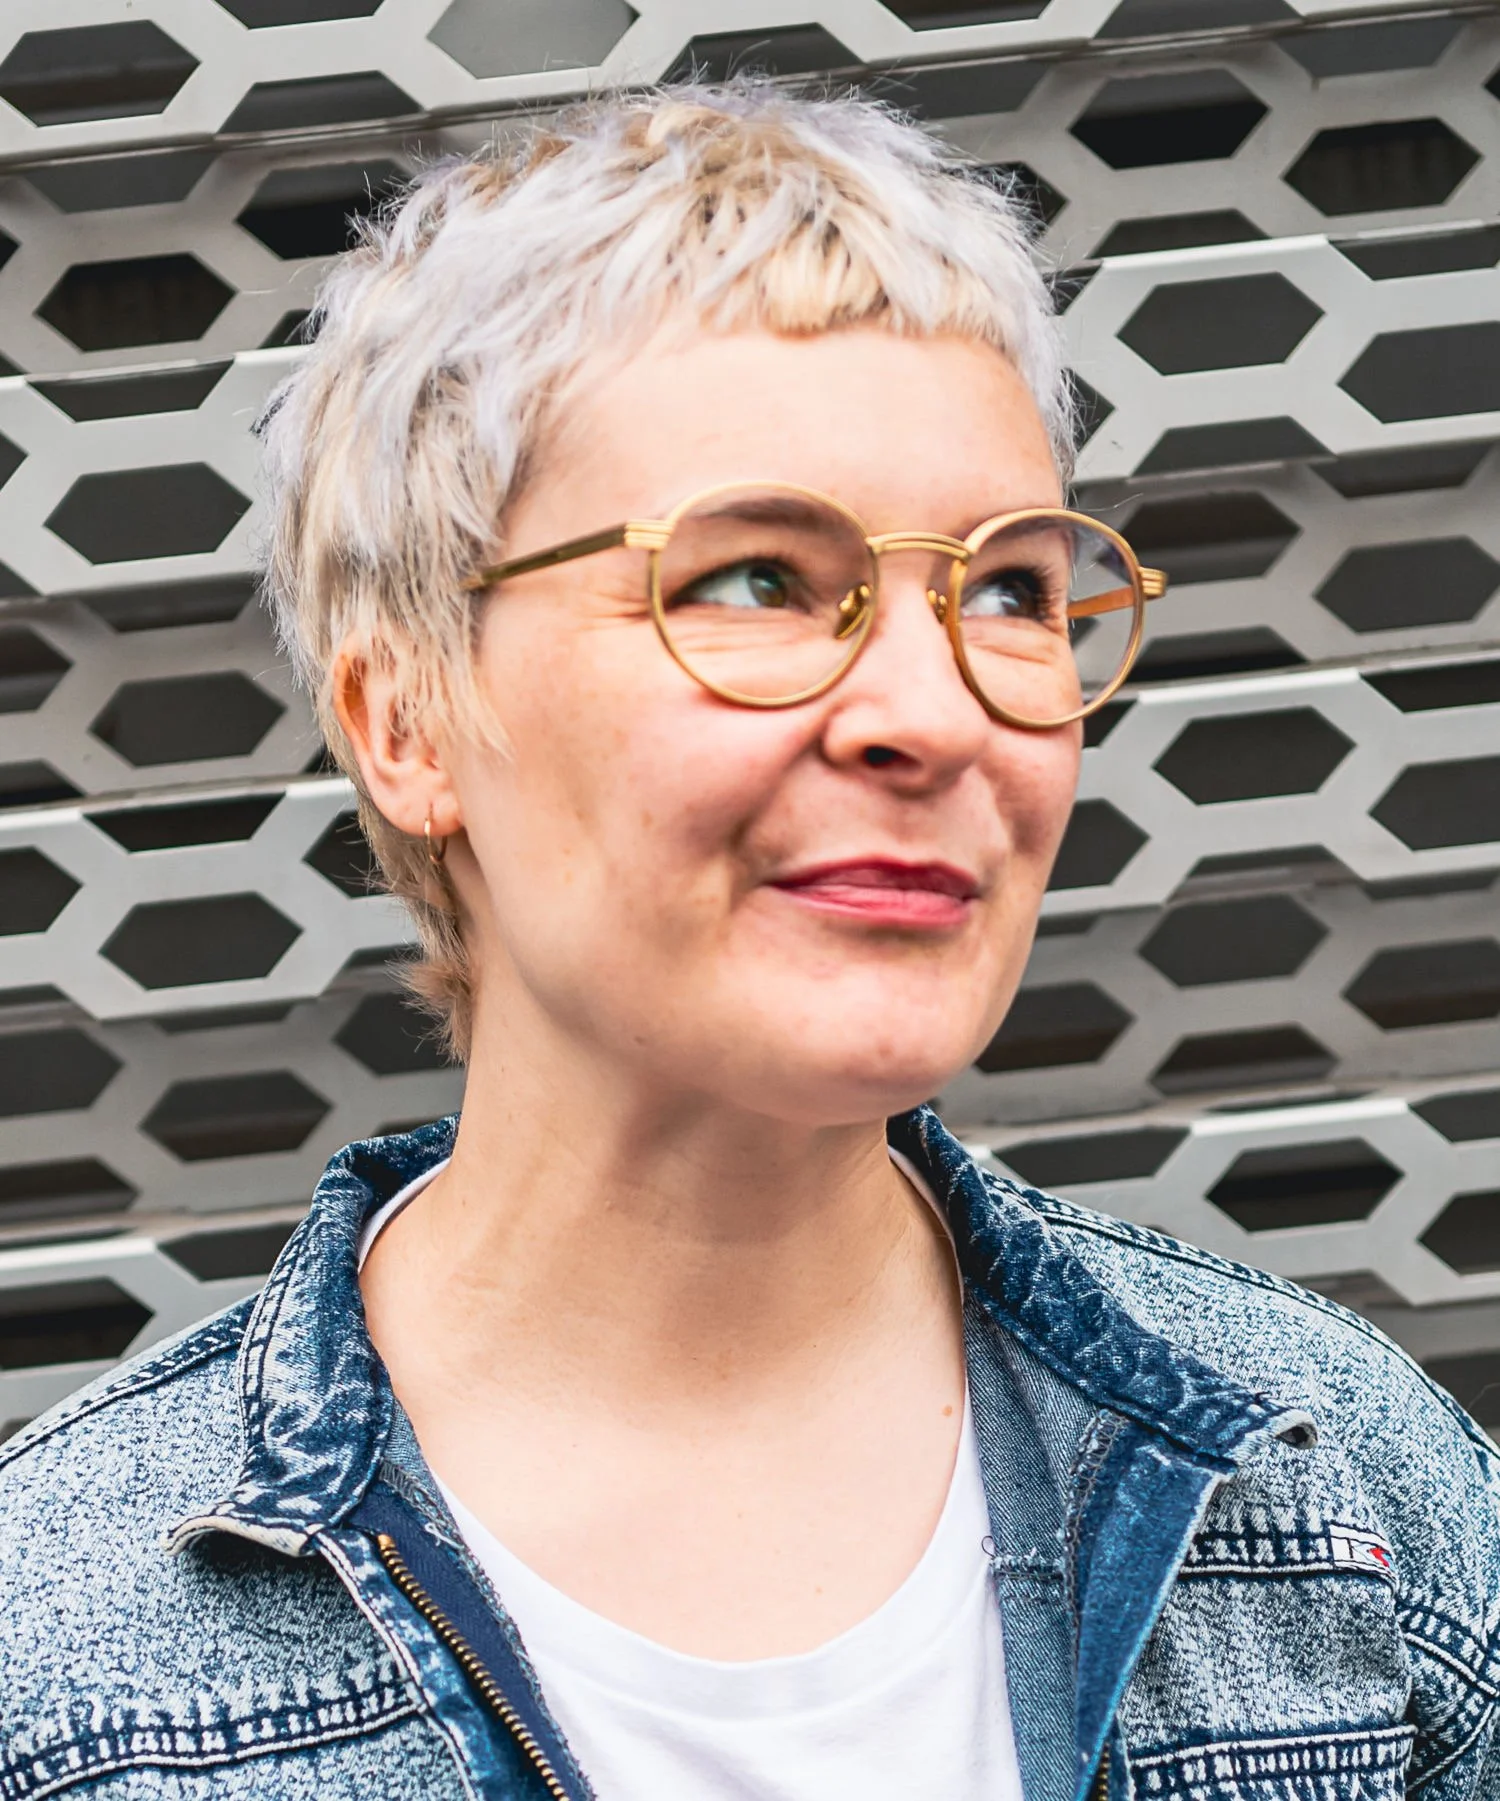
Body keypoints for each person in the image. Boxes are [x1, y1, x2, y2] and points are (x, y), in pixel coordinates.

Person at [2, 80, 1497, 1801]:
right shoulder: (59, 1672)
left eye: (1008, 589)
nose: (934, 714)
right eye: (755, 581)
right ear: (408, 717)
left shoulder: (1340, 1491)